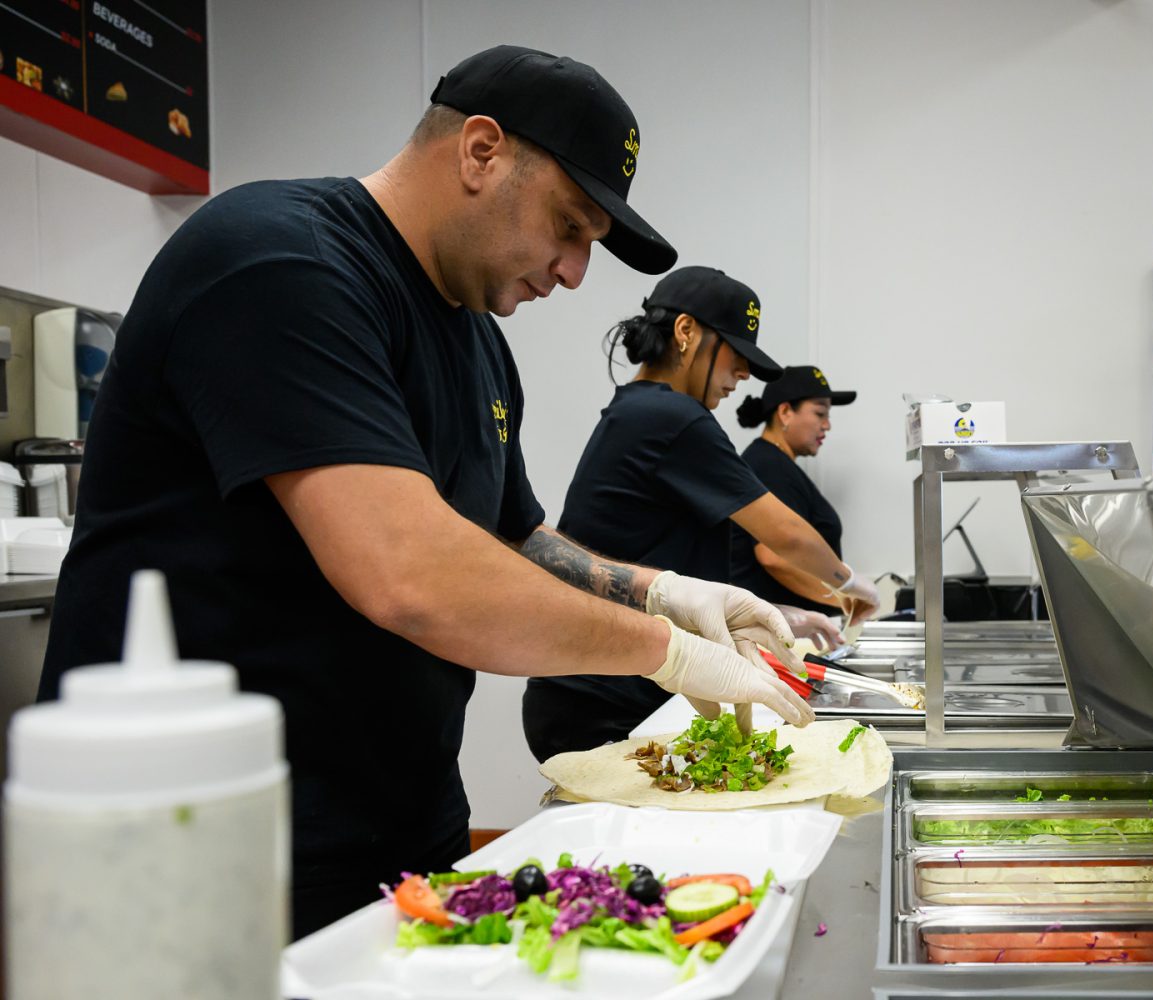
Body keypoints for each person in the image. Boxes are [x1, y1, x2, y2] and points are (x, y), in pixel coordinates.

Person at [36, 44, 812, 940]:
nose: (573, 274)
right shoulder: (280, 262)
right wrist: (662, 651)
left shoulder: (479, 341)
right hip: (207, 845)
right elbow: (409, 574)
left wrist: (672, 595)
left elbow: (516, 540)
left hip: (396, 826)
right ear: (480, 152)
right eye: (569, 226)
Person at [522, 267, 880, 761]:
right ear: (686, 332)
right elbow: (787, 537)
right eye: (736, 356)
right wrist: (853, 584)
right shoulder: (673, 417)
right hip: (602, 691)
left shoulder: (641, 409)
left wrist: (768, 615)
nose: (744, 376)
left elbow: (673, 554)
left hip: (600, 678)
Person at [730, 366, 857, 623]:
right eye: (820, 413)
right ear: (785, 412)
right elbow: (774, 556)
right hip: (783, 634)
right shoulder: (768, 465)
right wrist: (846, 600)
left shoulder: (776, 463)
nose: (827, 425)